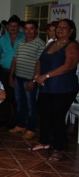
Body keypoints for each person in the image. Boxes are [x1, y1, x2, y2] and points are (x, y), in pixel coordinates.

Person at [31, 19, 79, 161]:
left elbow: (69, 66)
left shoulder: (73, 45)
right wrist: (37, 76)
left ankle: (58, 148)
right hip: (46, 87)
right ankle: (44, 142)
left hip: (63, 88)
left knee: (57, 117)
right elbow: (39, 61)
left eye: (64, 27)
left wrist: (45, 76)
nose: (60, 29)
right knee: (45, 115)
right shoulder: (51, 43)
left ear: (71, 31)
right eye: (58, 27)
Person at [9, 20, 45, 139]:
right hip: (18, 77)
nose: (28, 31)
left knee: (31, 105)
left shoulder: (40, 43)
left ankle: (31, 129)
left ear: (36, 30)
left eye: (31, 28)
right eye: (26, 28)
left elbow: (40, 63)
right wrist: (11, 76)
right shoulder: (20, 43)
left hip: (30, 79)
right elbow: (15, 60)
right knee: (19, 103)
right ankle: (20, 125)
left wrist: (34, 80)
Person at [0, 15, 25, 128]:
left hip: (19, 72)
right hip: (3, 71)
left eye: (15, 26)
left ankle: (16, 120)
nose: (12, 28)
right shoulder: (3, 39)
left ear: (19, 27)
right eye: (10, 26)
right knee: (4, 96)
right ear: (7, 27)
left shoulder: (24, 38)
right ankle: (5, 119)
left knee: (17, 97)